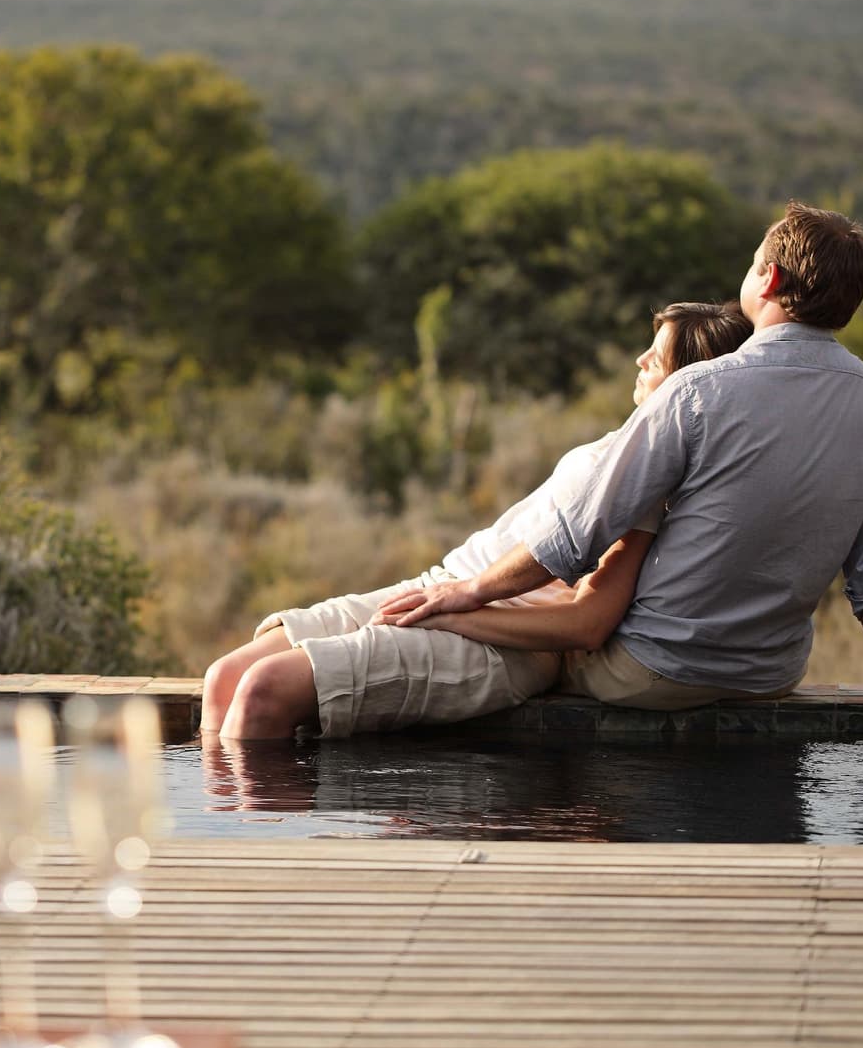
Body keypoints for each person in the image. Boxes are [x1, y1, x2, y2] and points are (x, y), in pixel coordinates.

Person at [377, 202, 863, 739]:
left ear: (768, 279)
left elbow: (580, 531)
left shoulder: (697, 391)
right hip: (769, 675)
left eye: (752, 264)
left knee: (542, 626)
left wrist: (471, 590)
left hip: (649, 672)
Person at [203, 300, 754, 740]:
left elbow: (586, 622)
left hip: (497, 632)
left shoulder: (651, 486)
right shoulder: (620, 447)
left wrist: (452, 616)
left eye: (655, 360)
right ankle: (210, 861)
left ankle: (257, 865)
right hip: (444, 587)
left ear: (687, 386)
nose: (638, 362)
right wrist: (442, 598)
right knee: (224, 678)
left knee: (263, 692)